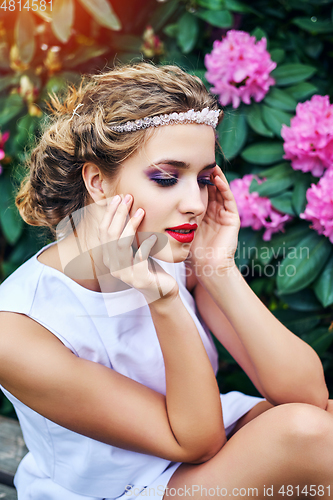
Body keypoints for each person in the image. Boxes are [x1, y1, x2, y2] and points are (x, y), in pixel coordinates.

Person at [0, 63, 332, 500]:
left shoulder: (172, 250)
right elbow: (195, 443)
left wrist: (219, 267)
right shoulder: (17, 330)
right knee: (305, 434)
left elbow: (306, 392)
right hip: (116, 490)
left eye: (204, 179)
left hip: (199, 455)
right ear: (97, 181)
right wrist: (162, 299)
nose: (195, 203)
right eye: (166, 177)